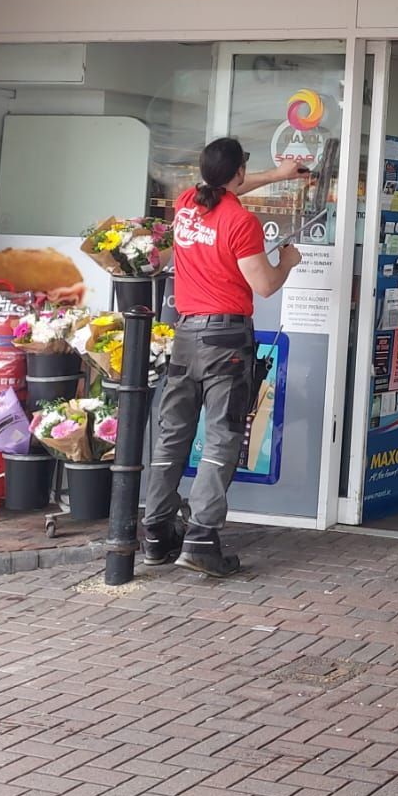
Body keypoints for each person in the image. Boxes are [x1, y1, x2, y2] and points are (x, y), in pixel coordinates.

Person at [140, 137, 308, 577]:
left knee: (172, 434)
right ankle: (200, 538)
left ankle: (156, 532)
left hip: (186, 334)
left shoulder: (185, 204)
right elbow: (265, 285)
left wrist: (275, 176)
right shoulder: (241, 221)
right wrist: (288, 261)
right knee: (221, 437)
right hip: (226, 341)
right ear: (236, 174)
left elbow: (226, 188)